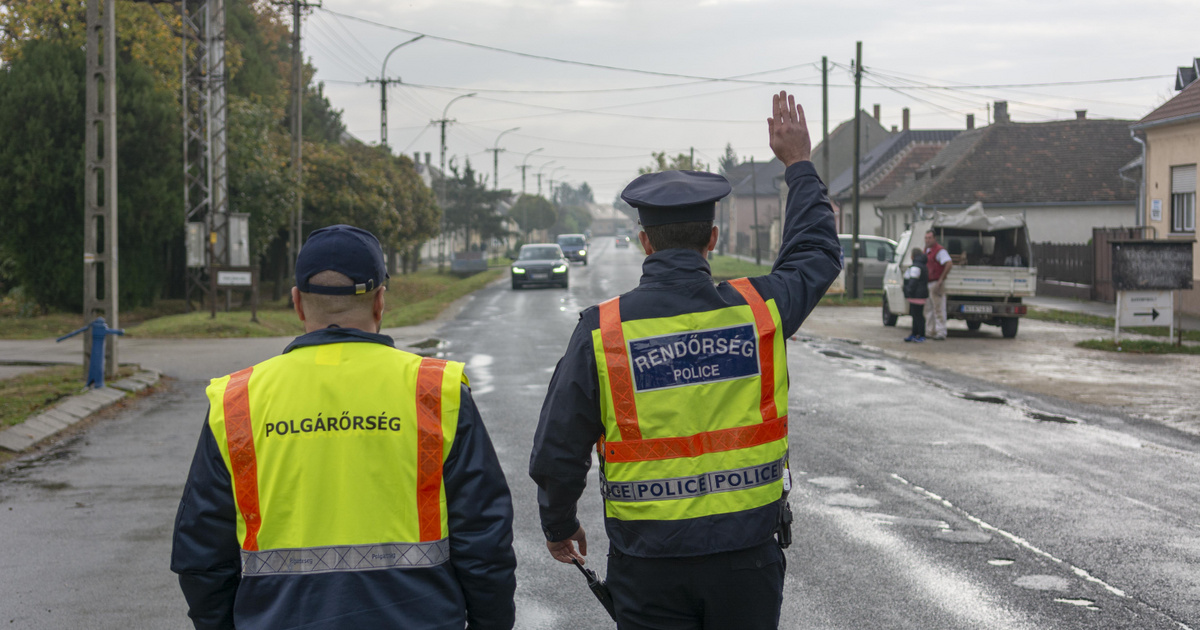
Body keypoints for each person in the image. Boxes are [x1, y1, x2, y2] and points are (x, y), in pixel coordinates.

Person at [528, 91, 841, 630]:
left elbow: (559, 447)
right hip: (748, 561)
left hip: (648, 566)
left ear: (644, 242)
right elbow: (815, 253)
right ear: (713, 238)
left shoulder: (602, 331)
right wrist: (799, 166)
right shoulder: (757, 311)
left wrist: (559, 525)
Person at [171, 224, 517, 630]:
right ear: (380, 302)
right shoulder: (434, 391)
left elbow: (202, 554)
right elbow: (484, 539)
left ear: (297, 303)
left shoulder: (238, 401)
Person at [924, 230, 953, 340]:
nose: (927, 240)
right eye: (926, 238)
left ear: (934, 238)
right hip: (928, 282)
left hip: (936, 283)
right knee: (928, 309)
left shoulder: (939, 251)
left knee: (939, 309)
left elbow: (949, 263)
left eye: (929, 238)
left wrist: (941, 279)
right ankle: (930, 331)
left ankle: (941, 332)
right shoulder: (927, 250)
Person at [903, 248, 929, 342]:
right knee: (916, 315)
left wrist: (908, 291)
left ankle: (920, 334)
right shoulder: (922, 265)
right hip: (920, 295)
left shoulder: (916, 267)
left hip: (916, 295)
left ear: (912, 256)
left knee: (917, 316)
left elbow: (913, 281)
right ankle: (915, 334)